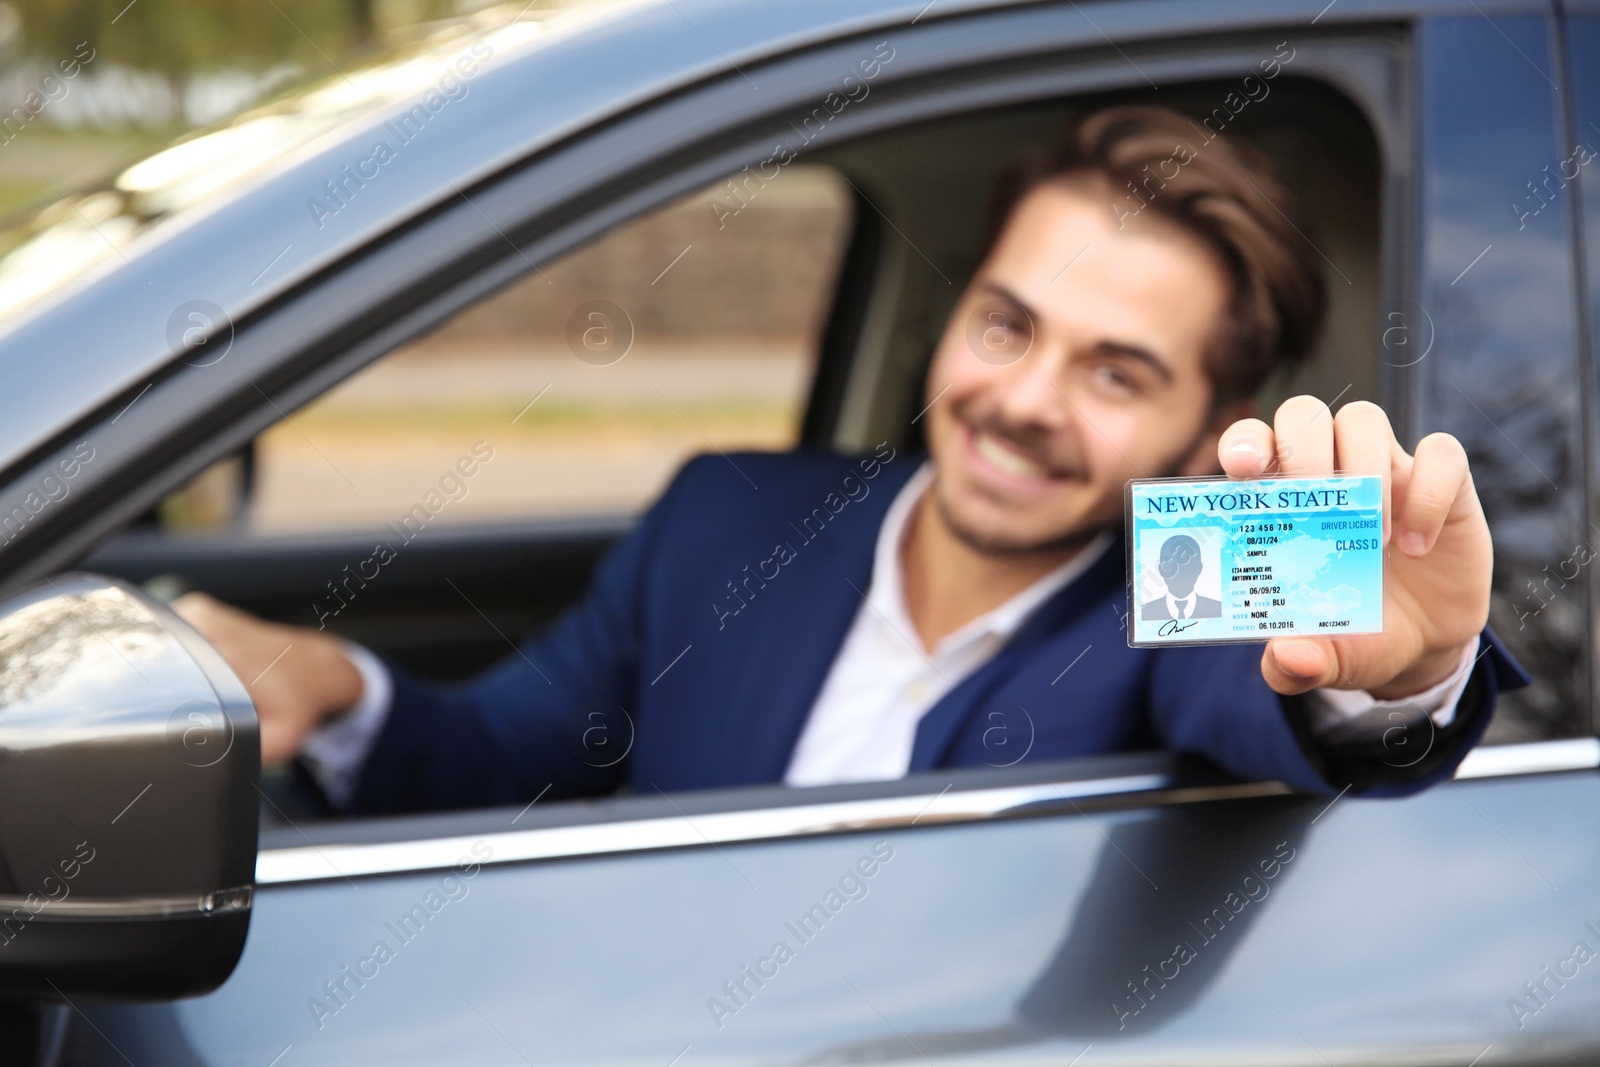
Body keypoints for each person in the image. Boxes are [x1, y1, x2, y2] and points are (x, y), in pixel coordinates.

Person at [174, 105, 1526, 814]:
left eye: (1119, 372)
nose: (1025, 401)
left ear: (1200, 420)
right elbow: (501, 755)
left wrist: (1405, 674)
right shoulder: (724, 514)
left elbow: (1300, 688)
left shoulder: (1195, 576)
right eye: (1008, 324)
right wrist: (336, 681)